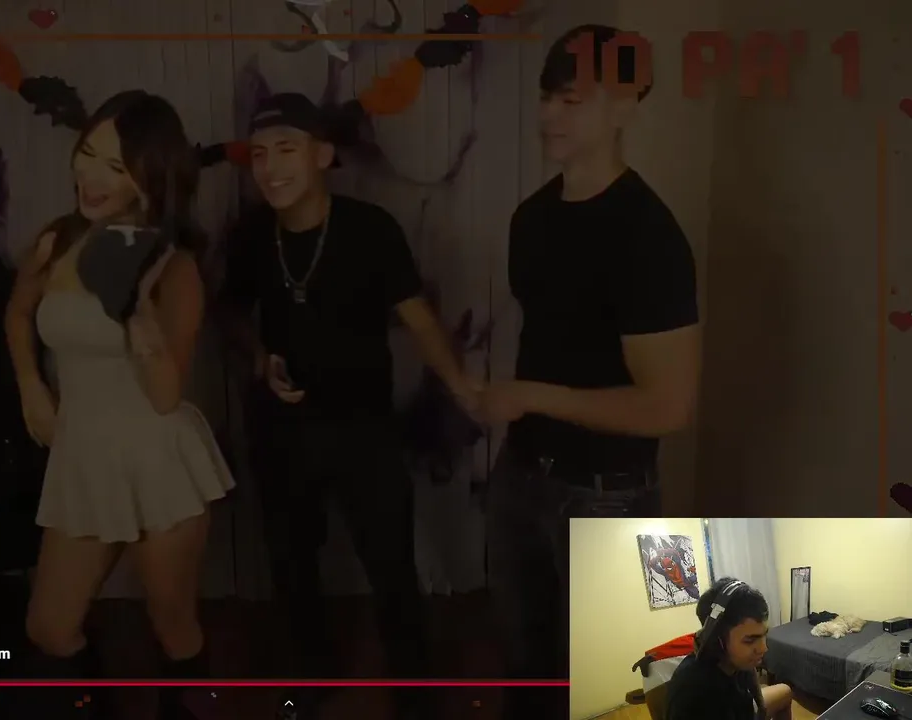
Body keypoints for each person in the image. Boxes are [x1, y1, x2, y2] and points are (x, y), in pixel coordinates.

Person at [220, 92, 478, 720]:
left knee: (391, 565)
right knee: (291, 564)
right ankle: (314, 674)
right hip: (280, 429)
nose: (270, 168)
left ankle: (414, 692)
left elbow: (419, 318)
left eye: (286, 149)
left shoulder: (369, 229)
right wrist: (259, 354)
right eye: (259, 154)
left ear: (323, 155)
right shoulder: (251, 233)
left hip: (364, 427)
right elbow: (230, 311)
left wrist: (462, 388)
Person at [480, 24, 701, 713]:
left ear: (625, 104)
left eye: (572, 100)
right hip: (521, 477)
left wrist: (530, 396)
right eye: (548, 97)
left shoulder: (649, 236)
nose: (550, 114)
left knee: (612, 688)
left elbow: (667, 407)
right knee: (525, 671)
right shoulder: (530, 219)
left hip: (611, 495)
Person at [4, 90, 233, 720]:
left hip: (157, 458)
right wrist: (31, 387)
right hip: (82, 455)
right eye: (87, 154)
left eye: (114, 165)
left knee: (172, 626)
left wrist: (138, 319)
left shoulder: (174, 266)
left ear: (150, 178)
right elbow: (17, 314)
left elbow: (164, 395)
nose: (90, 176)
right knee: (50, 626)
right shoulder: (55, 242)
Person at [666, 578, 794, 720]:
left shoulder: (736, 662)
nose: (764, 648)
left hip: (742, 708)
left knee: (785, 691)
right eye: (750, 640)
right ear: (717, 640)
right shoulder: (694, 695)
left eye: (764, 635)